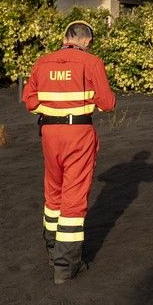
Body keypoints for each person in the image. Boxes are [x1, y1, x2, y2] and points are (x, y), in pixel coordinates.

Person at [22, 20, 116, 285]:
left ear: (65, 37)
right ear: (86, 40)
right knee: (74, 196)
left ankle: (52, 251)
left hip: (49, 135)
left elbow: (30, 101)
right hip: (78, 134)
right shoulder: (91, 62)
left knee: (54, 191)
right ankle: (66, 266)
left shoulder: (42, 62)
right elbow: (108, 103)